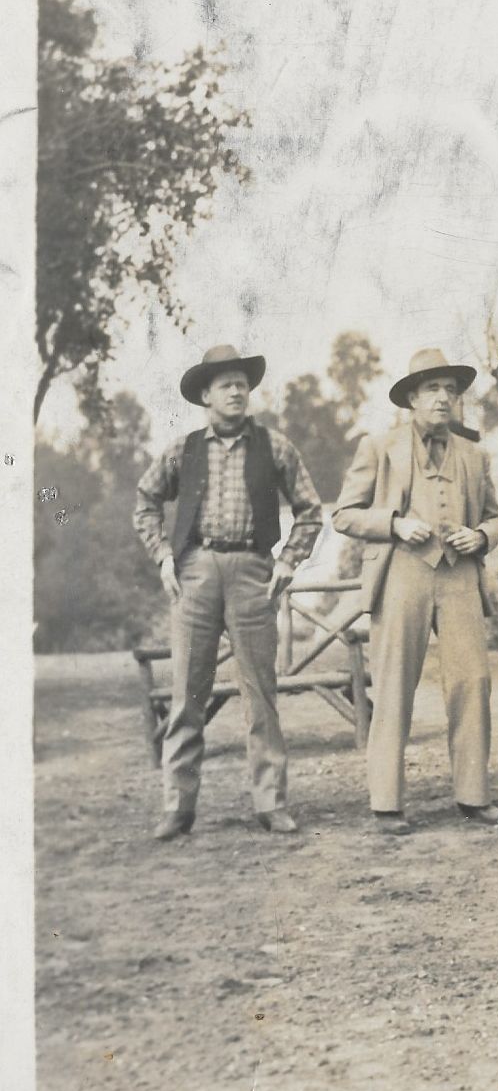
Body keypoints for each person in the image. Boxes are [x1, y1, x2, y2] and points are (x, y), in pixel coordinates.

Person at [132, 345, 326, 840]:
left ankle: (271, 803)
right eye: (225, 384)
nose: (236, 391)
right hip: (196, 571)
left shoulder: (275, 447)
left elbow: (310, 508)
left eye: (242, 383)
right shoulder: (184, 449)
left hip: (252, 572)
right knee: (187, 693)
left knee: (260, 692)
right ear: (205, 395)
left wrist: (288, 559)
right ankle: (178, 807)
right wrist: (163, 556)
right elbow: (145, 501)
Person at [334, 348, 498, 835]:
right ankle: (387, 803)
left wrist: (480, 537)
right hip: (403, 574)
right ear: (411, 397)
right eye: (432, 388)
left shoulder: (474, 454)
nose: (443, 398)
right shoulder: (378, 447)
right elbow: (344, 515)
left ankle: (473, 796)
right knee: (393, 686)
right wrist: (393, 524)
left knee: (472, 681)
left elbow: (497, 519)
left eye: (451, 390)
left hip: (459, 577)